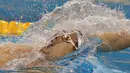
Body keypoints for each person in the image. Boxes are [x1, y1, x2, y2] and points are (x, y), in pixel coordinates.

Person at [0, 30, 130, 68]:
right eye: (58, 35)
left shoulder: (47, 68)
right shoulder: (30, 50)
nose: (57, 38)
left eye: (66, 38)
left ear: (72, 52)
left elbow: (117, 40)